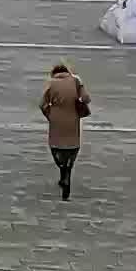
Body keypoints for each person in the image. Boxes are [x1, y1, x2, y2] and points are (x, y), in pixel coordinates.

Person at [39, 62, 90, 200]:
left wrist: (50, 114)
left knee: (56, 147)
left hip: (56, 119)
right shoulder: (76, 80)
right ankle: (67, 172)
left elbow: (42, 104)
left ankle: (63, 170)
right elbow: (86, 98)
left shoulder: (51, 83)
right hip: (72, 118)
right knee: (72, 146)